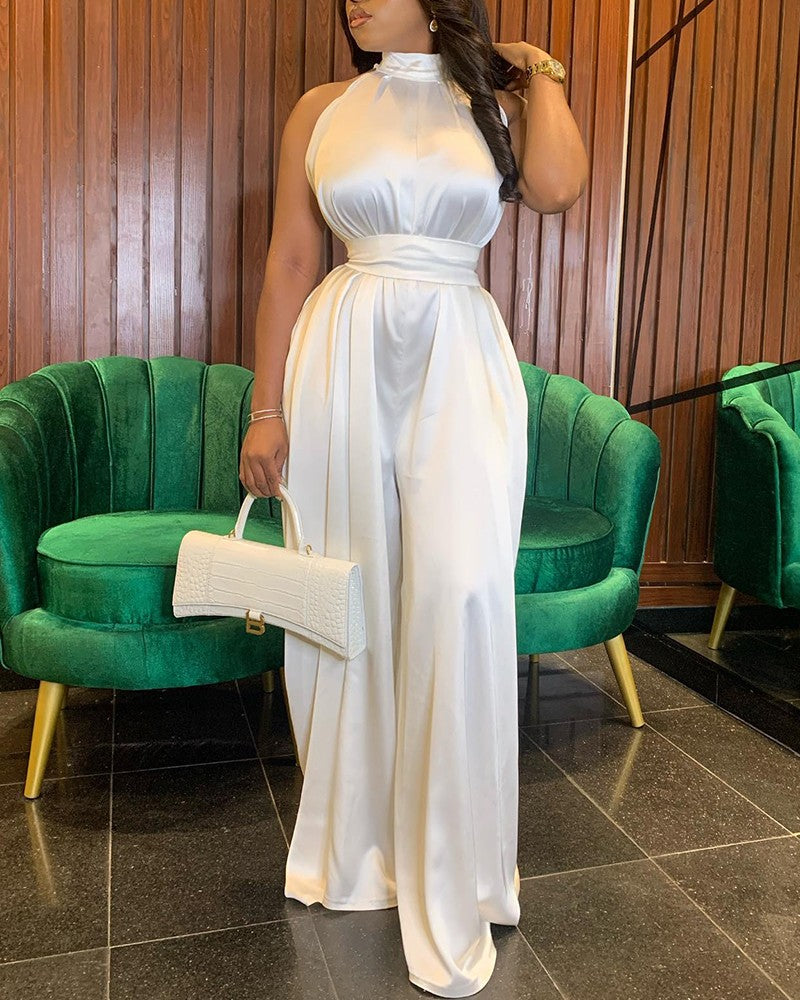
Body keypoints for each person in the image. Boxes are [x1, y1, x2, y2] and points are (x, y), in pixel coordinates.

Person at [239, 1, 588, 995]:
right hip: (341, 353)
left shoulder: (492, 101)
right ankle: (358, 847)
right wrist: (265, 406)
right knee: (347, 600)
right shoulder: (320, 109)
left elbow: (557, 186)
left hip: (458, 354)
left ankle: (457, 867)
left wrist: (537, 74)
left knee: (460, 591)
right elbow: (291, 259)